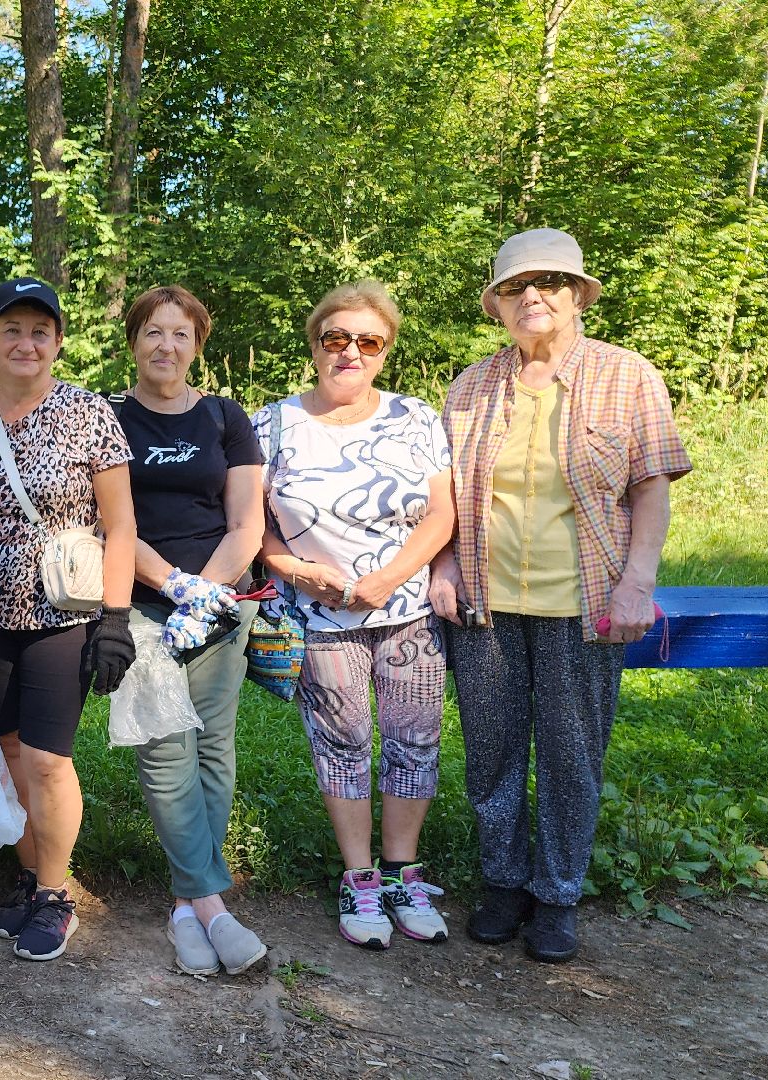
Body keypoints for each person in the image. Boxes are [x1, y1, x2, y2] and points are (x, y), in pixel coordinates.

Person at [433, 228, 689, 963]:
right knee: (492, 751)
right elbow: (445, 495)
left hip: (587, 602)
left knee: (573, 755)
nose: (532, 296)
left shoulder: (626, 375)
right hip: (485, 601)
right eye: (516, 286)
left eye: (549, 282)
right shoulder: (472, 385)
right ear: (497, 305)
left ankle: (558, 895)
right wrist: (445, 563)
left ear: (577, 295)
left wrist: (638, 582)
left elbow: (650, 488)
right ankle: (505, 884)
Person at [0, 277, 137, 962]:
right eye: (11, 329)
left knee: (49, 759)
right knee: (7, 751)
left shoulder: (89, 415)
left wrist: (114, 618)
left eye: (40, 331)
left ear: (57, 341)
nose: (26, 342)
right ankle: (26, 871)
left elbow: (121, 523)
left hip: (63, 619)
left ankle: (54, 893)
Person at [252, 281, 456, 950]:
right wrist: (299, 571)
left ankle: (403, 871)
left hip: (408, 613)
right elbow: (252, 526)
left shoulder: (417, 417)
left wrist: (390, 578)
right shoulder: (270, 424)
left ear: (385, 350)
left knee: (414, 741)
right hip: (319, 617)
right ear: (314, 345)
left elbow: (442, 515)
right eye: (335, 338)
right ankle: (359, 879)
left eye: (368, 341)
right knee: (342, 746)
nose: (350, 352)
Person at [110, 285, 268, 977]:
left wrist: (207, 592)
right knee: (165, 749)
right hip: (144, 603)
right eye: (153, 332)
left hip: (221, 604)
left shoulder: (225, 417)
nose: (166, 345)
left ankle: (184, 905)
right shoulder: (108, 419)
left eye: (180, 334)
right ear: (134, 341)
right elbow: (114, 523)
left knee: (212, 746)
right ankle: (211, 906)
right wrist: (172, 586)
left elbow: (247, 524)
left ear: (197, 344)